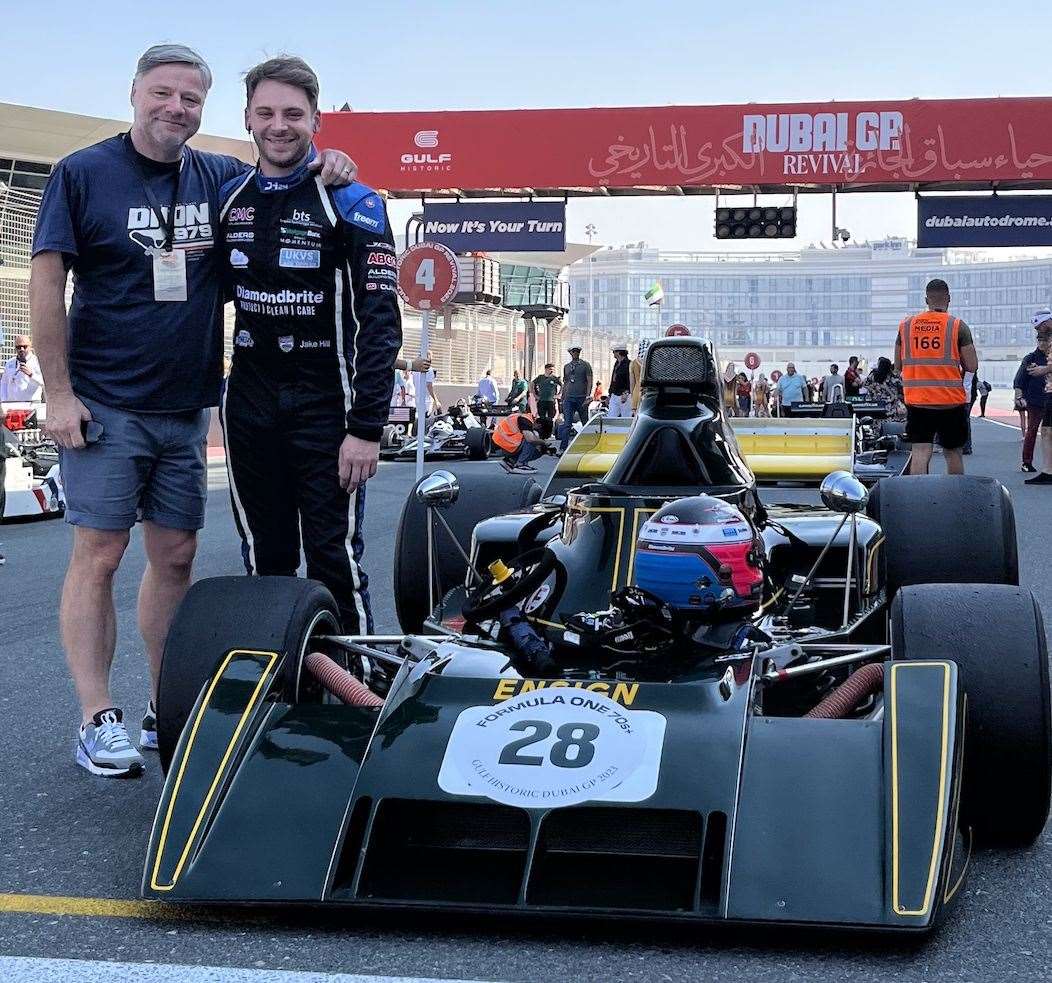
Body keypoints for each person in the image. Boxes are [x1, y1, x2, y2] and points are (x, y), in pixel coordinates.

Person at [30, 43, 356, 778]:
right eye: (163, 93)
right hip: (105, 402)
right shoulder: (81, 173)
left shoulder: (219, 177)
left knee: (173, 559)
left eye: (190, 99)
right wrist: (57, 392)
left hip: (188, 407)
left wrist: (334, 163)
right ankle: (95, 716)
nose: (175, 108)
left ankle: (164, 706)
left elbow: (288, 172)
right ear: (135, 92)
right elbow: (46, 285)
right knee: (100, 554)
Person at [220, 56, 401, 638]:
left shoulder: (354, 200)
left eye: (293, 114)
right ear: (247, 118)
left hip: (329, 406)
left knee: (332, 558)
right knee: (265, 558)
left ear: (316, 121)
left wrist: (367, 426)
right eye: (266, 112)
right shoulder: (226, 197)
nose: (279, 125)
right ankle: (280, 684)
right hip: (248, 404)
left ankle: (358, 690)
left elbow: (379, 322)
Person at [894, 278, 977, 476]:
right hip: (950, 402)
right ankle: (955, 496)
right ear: (949, 298)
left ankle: (919, 498)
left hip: (918, 401)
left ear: (926, 299)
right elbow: (972, 365)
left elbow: (898, 365)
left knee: (921, 451)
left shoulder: (906, 326)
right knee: (953, 452)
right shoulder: (957, 326)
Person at [1016, 313, 1052, 476]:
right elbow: (1019, 380)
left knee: (1048, 432)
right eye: (1040, 340)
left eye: (1045, 340)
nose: (1043, 343)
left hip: (1049, 398)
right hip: (1035, 401)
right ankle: (1027, 462)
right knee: (1033, 431)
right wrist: (1019, 397)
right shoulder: (1030, 358)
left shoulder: (1050, 357)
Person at [559, 345, 592, 451]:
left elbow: (589, 381)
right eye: (573, 351)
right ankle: (563, 448)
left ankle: (589, 445)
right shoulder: (567, 366)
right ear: (570, 353)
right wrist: (562, 397)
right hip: (569, 398)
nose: (575, 353)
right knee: (567, 423)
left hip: (581, 397)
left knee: (585, 422)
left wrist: (588, 396)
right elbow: (566, 382)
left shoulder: (585, 365)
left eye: (577, 351)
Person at [0, 335, 45, 404]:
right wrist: (3, 400)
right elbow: (4, 383)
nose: (22, 349)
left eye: (25, 346)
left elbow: (45, 383)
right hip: (11, 404)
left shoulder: (38, 362)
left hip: (31, 404)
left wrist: (31, 374)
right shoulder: (10, 363)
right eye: (18, 347)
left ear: (30, 347)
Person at [532, 362, 560, 439]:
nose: (552, 371)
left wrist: (558, 395)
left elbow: (562, 385)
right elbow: (532, 384)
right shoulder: (540, 377)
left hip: (551, 401)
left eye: (553, 370)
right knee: (542, 418)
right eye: (550, 369)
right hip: (542, 401)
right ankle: (542, 434)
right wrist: (535, 395)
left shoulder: (554, 378)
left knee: (550, 418)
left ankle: (550, 434)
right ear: (546, 369)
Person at [607, 343, 631, 418]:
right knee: (611, 417)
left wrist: (627, 392)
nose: (613, 353)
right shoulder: (617, 363)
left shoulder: (629, 364)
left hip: (624, 395)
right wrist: (610, 394)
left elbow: (630, 380)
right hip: (614, 394)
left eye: (614, 351)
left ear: (619, 352)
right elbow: (613, 380)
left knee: (626, 417)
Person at [629, 339, 649, 414]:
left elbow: (632, 383)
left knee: (636, 420)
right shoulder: (650, 362)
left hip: (636, 393)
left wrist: (632, 396)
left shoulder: (633, 363)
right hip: (648, 394)